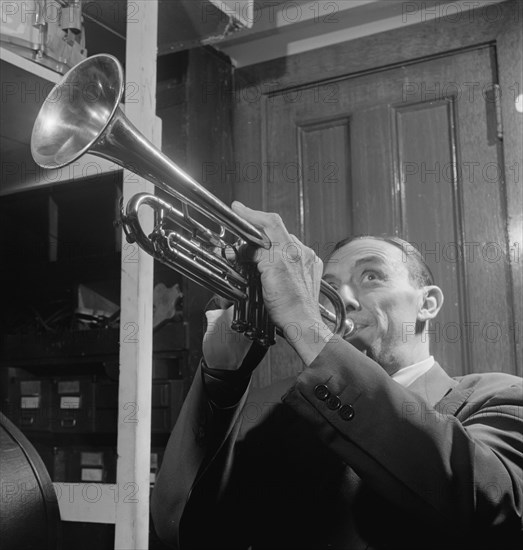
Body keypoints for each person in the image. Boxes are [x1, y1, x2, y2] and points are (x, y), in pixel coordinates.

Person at [151, 202, 523, 550]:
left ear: (427, 303)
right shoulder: (282, 418)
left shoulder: (496, 397)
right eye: (327, 284)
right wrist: (222, 374)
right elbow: (185, 531)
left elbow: (487, 509)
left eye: (372, 276)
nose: (341, 297)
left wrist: (305, 324)